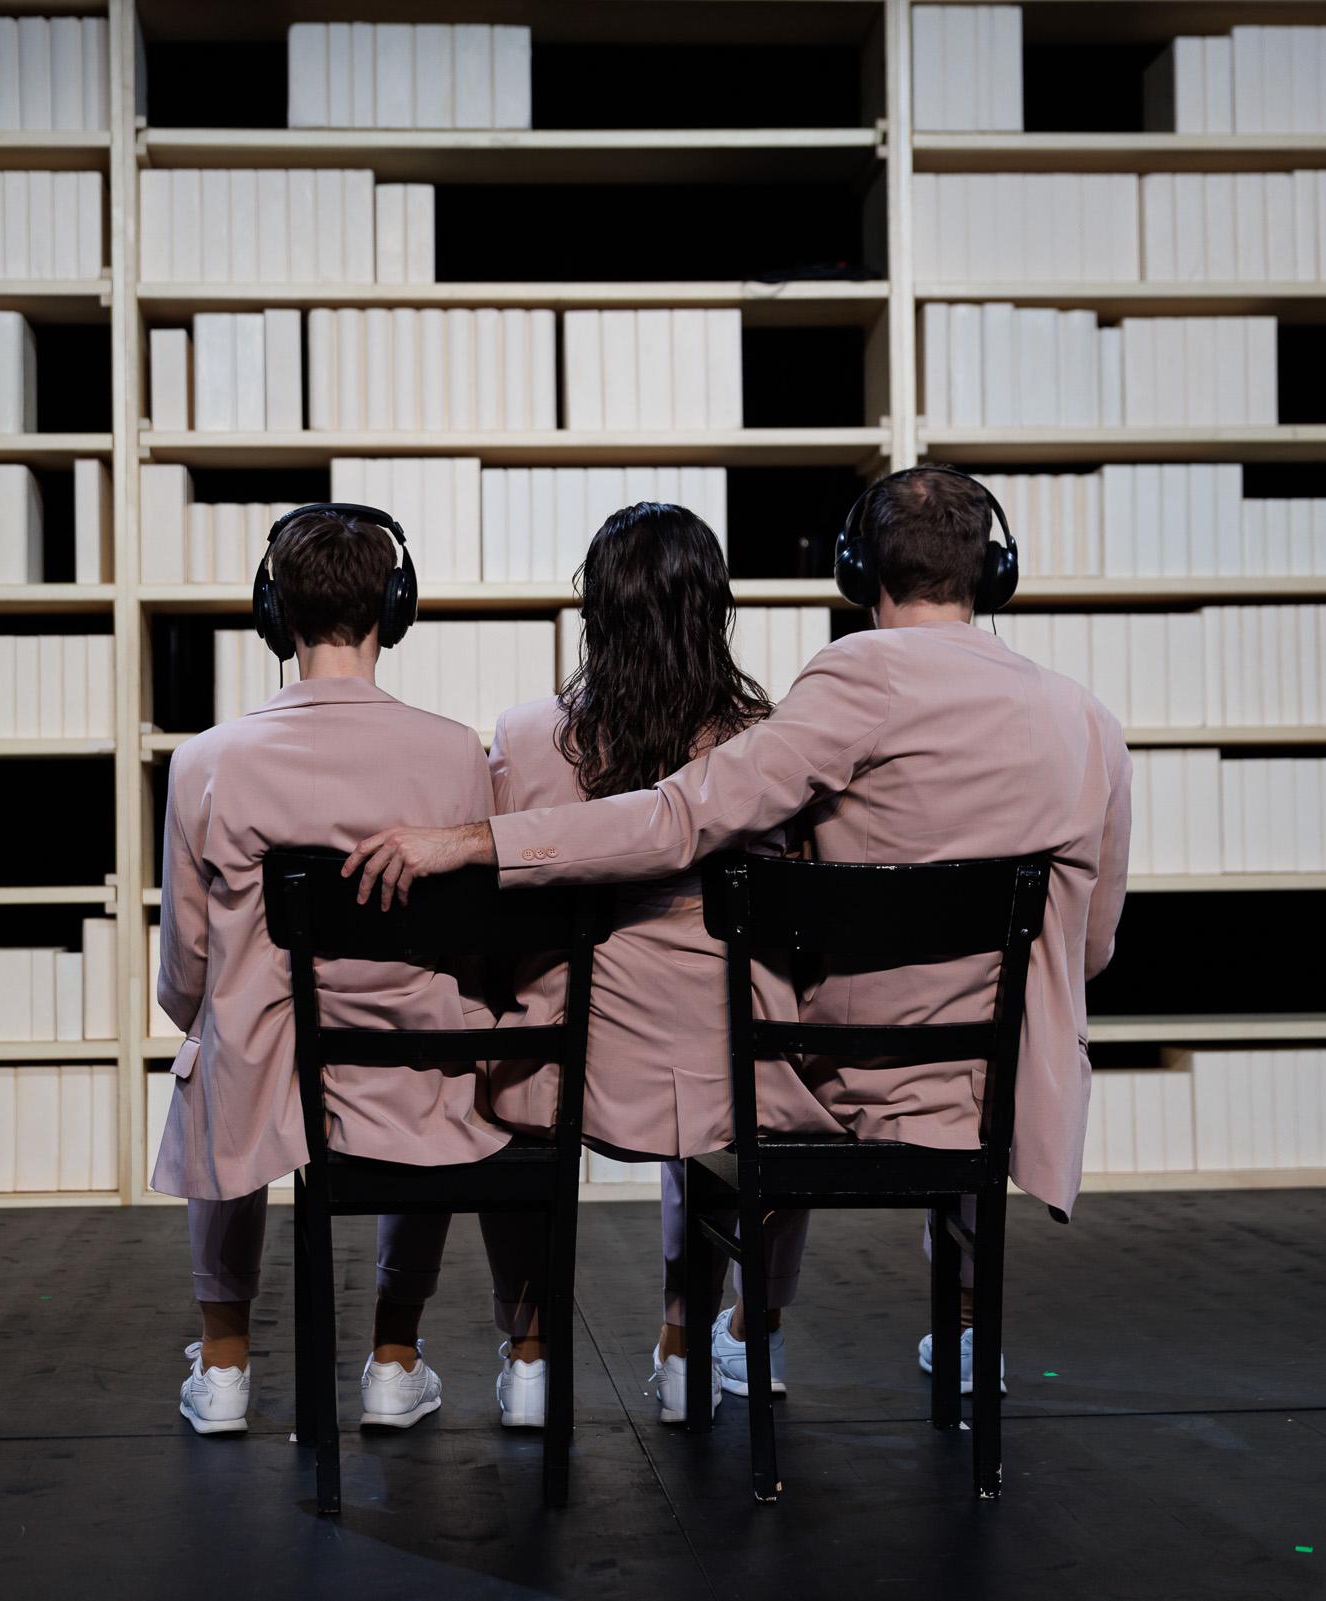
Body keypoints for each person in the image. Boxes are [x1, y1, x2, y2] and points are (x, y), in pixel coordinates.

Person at [347, 467, 1134, 1391]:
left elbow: (683, 816)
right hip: (1005, 1082)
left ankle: (494, 1348)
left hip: (846, 1067)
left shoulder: (854, 679)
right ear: (991, 572)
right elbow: (1093, 947)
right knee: (778, 1058)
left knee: (755, 1050)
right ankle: (942, 1329)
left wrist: (482, 841)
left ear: (860, 567)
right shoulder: (1091, 720)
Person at [480, 502, 843, 1422]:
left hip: (572, 1064)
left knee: (497, 1090)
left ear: (595, 613)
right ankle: (700, 1336)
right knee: (776, 1105)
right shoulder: (770, 743)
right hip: (736, 1065)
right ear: (713, 612)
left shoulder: (526, 738)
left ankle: (529, 1355)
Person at [152, 502, 507, 1437]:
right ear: (396, 607)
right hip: (405, 1069)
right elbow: (475, 941)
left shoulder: (206, 762)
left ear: (274, 612)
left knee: (216, 1043)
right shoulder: (456, 754)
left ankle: (224, 1366)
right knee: (440, 1047)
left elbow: (184, 970)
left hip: (270, 1077)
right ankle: (394, 1356)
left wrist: (210, 1010)